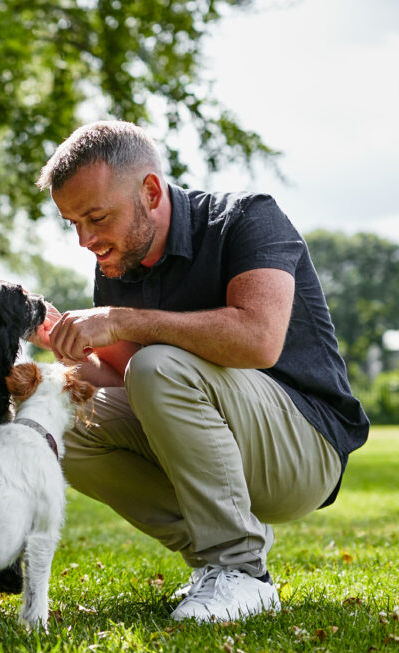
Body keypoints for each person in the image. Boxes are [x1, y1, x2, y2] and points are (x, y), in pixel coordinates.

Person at [30, 120, 369, 622]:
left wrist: (122, 320)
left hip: (305, 448)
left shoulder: (248, 219)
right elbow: (129, 383)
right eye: (73, 223)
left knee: (158, 365)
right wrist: (69, 356)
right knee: (58, 420)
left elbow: (259, 338)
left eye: (96, 217)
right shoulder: (117, 264)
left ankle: (242, 569)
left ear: (149, 191)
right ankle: (218, 563)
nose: (85, 239)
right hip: (213, 438)